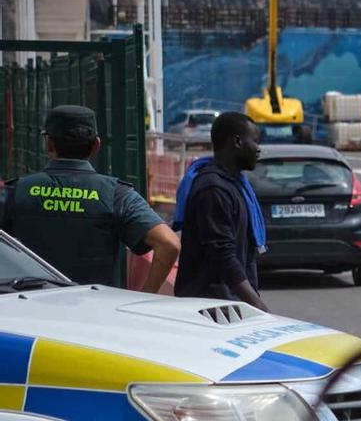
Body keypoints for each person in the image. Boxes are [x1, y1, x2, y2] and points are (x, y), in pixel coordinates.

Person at [0, 105, 178, 291]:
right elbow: (169, 244)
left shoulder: (16, 191)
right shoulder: (117, 195)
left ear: (49, 143)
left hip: (26, 308)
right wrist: (146, 296)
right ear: (96, 145)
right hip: (96, 312)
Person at [175, 112, 267, 309]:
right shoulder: (213, 189)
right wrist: (259, 307)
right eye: (255, 141)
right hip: (211, 308)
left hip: (228, 305)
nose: (259, 149)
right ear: (237, 142)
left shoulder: (234, 185)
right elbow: (222, 255)